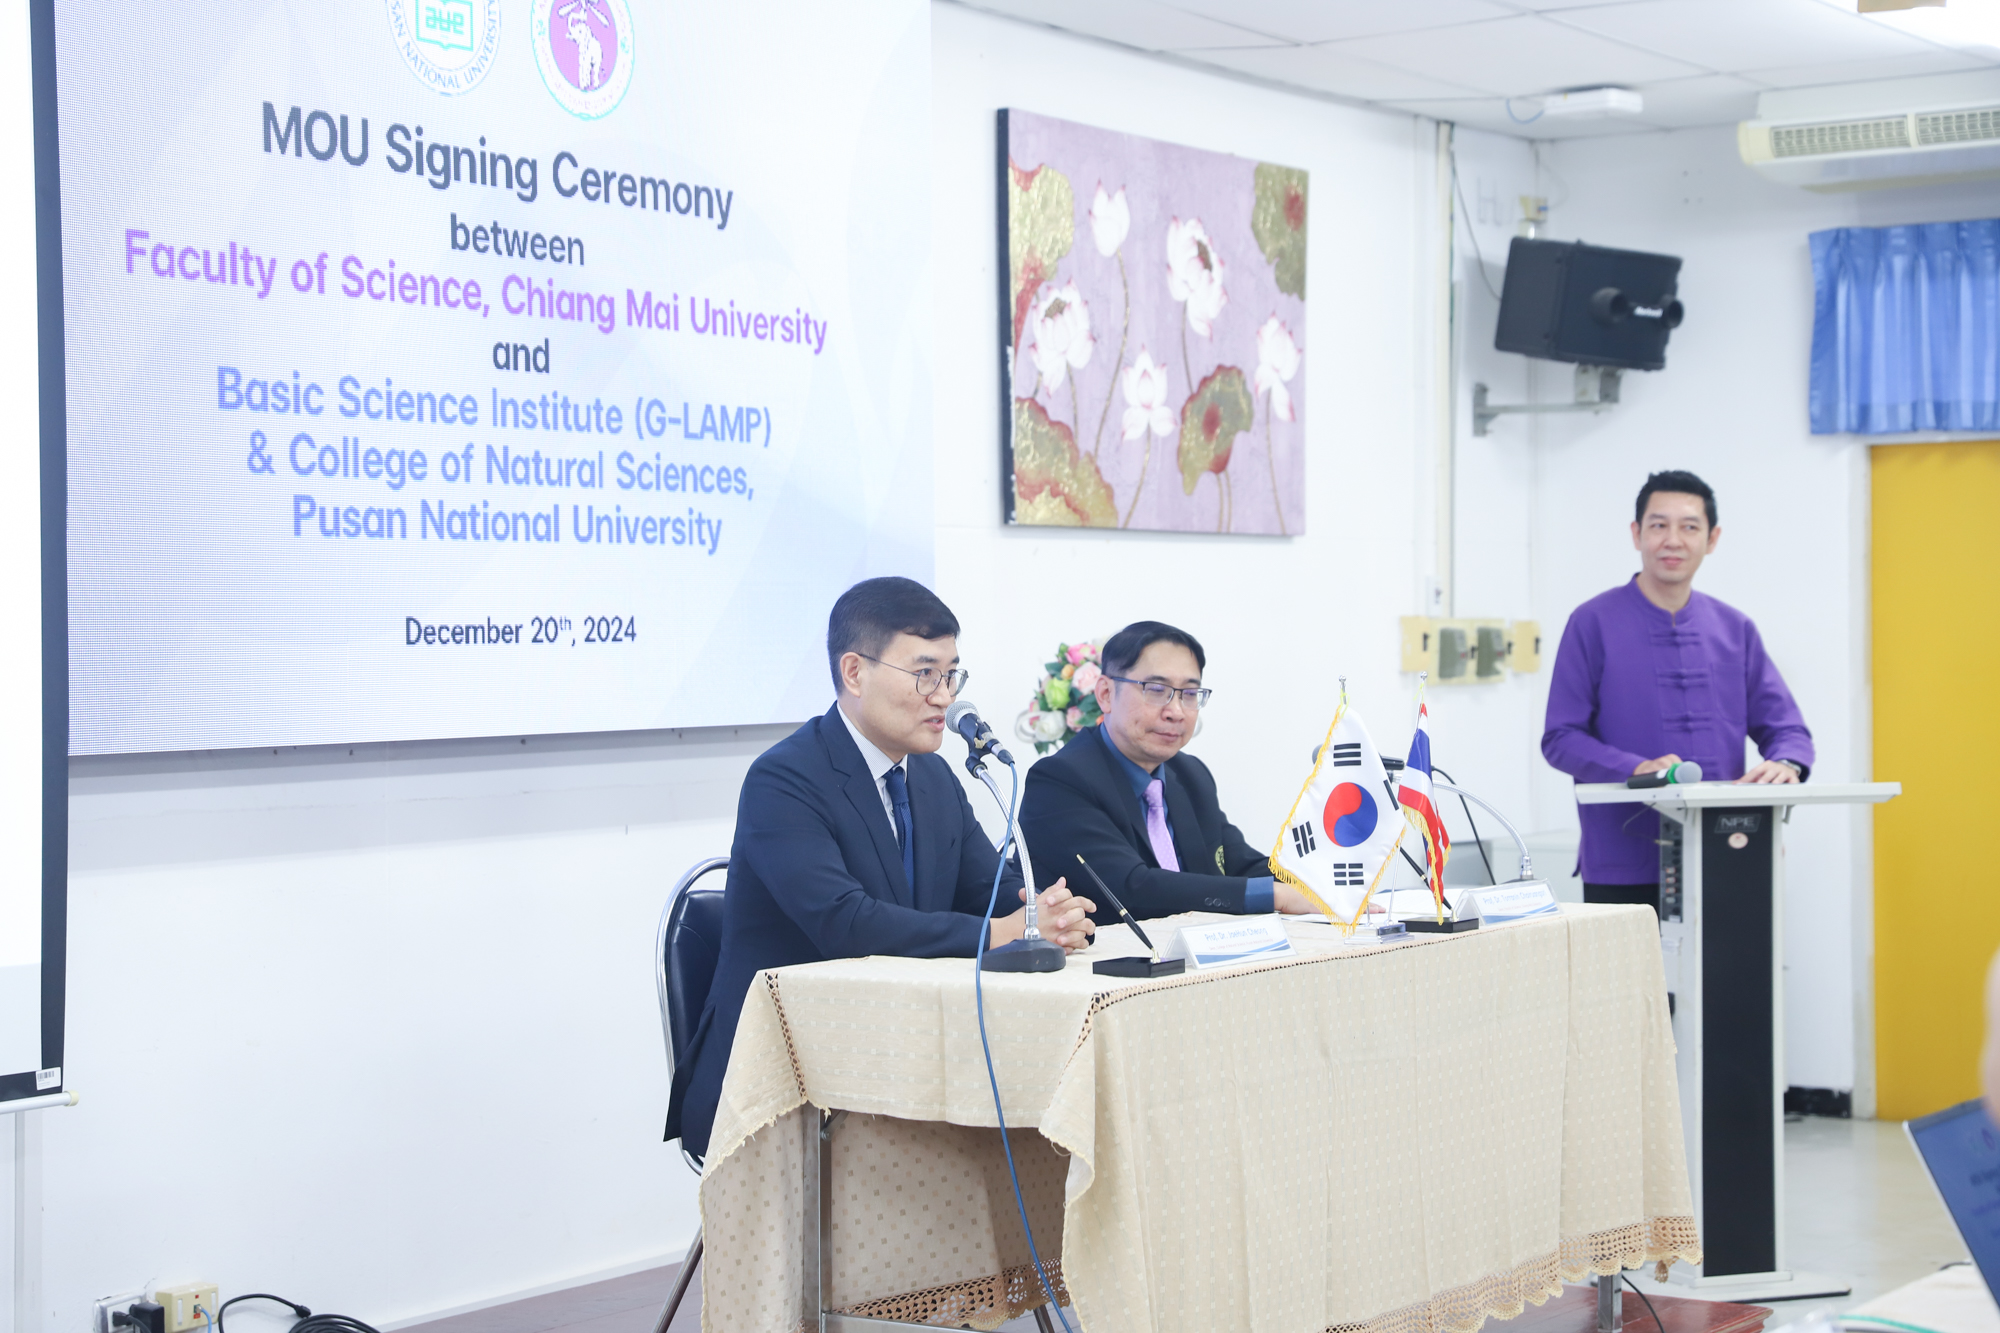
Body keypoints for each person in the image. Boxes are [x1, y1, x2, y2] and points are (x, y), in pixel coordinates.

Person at [665, 577, 1095, 1160]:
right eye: (925, 674)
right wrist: (1001, 932)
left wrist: (1043, 913)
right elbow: (847, 923)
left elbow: (986, 887)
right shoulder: (784, 779)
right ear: (854, 672)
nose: (944, 697)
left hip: (897, 1053)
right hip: (783, 1079)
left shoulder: (934, 775)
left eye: (952, 675)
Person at [1542, 470, 1814, 915]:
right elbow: (1561, 738)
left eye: (1689, 527)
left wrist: (1786, 763)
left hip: (1726, 848)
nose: (1673, 540)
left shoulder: (1734, 628)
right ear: (1637, 534)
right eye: (1658, 525)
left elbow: (1787, 729)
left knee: (1731, 963)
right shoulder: (1592, 622)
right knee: (1633, 965)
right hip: (1623, 858)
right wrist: (1637, 768)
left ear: (1712, 539)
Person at [1020, 620, 1313, 922]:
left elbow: (1241, 864)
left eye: (1190, 693)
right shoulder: (1060, 781)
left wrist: (1320, 882)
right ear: (1106, 694)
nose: (1176, 711)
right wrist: (1277, 896)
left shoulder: (1190, 775)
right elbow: (1134, 887)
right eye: (1157, 690)